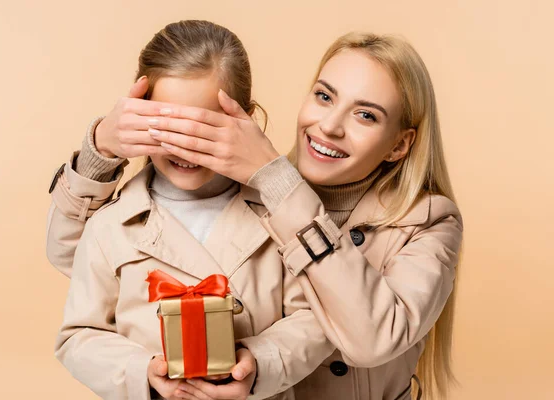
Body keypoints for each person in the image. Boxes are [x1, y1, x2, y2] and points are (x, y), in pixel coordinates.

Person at [49, 31, 463, 399]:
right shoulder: (248, 191)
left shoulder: (425, 220)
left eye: (366, 114)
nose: (329, 127)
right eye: (324, 96)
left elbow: (363, 337)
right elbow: (79, 260)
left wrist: (279, 183)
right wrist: (100, 149)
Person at [49, 20, 333, 400]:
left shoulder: (280, 213)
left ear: (244, 119)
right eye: (165, 125)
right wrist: (143, 374)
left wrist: (258, 361)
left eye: (202, 128)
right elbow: (80, 335)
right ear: (137, 114)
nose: (182, 148)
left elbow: (314, 317)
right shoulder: (109, 224)